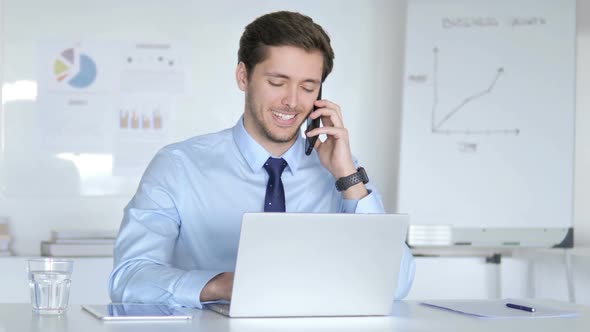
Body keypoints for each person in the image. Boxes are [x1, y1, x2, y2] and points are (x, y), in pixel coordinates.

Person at [109, 10, 415, 309]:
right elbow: (129, 278)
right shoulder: (177, 166)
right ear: (244, 76)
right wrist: (222, 285)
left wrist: (348, 179)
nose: (293, 101)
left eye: (308, 87)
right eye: (277, 82)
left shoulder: (342, 170)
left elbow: (396, 284)